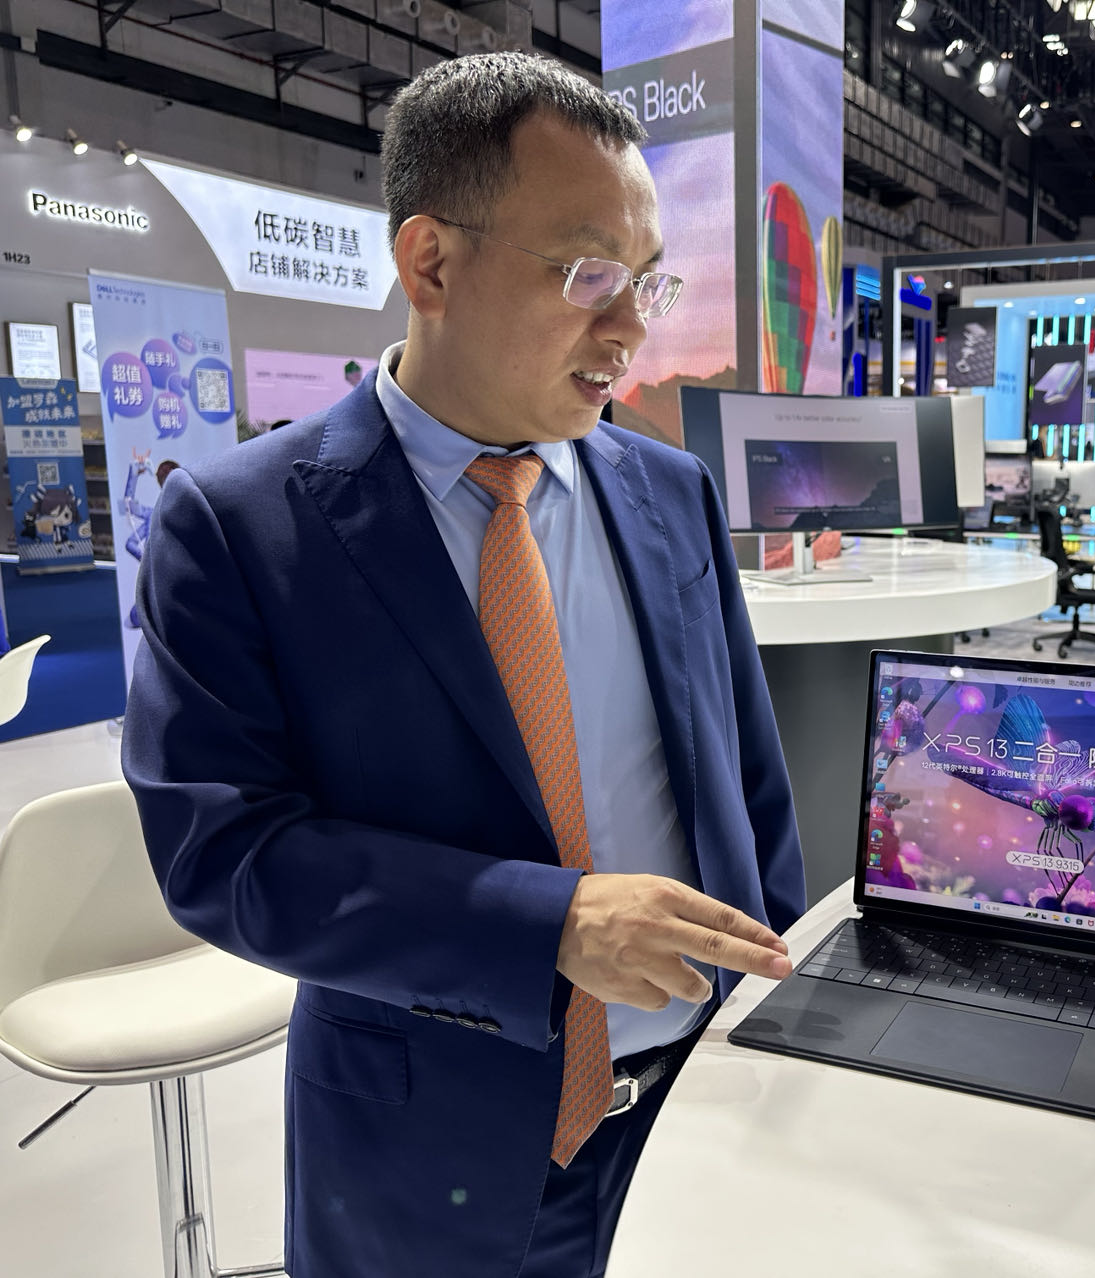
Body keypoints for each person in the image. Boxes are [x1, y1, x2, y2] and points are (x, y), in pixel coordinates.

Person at [122, 53, 806, 1278]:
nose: (629, 329)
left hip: (703, 1113)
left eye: (646, 281)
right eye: (587, 274)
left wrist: (785, 1017)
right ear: (430, 262)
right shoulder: (241, 525)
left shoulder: (670, 492)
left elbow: (746, 781)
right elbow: (224, 854)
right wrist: (547, 923)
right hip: (428, 1148)